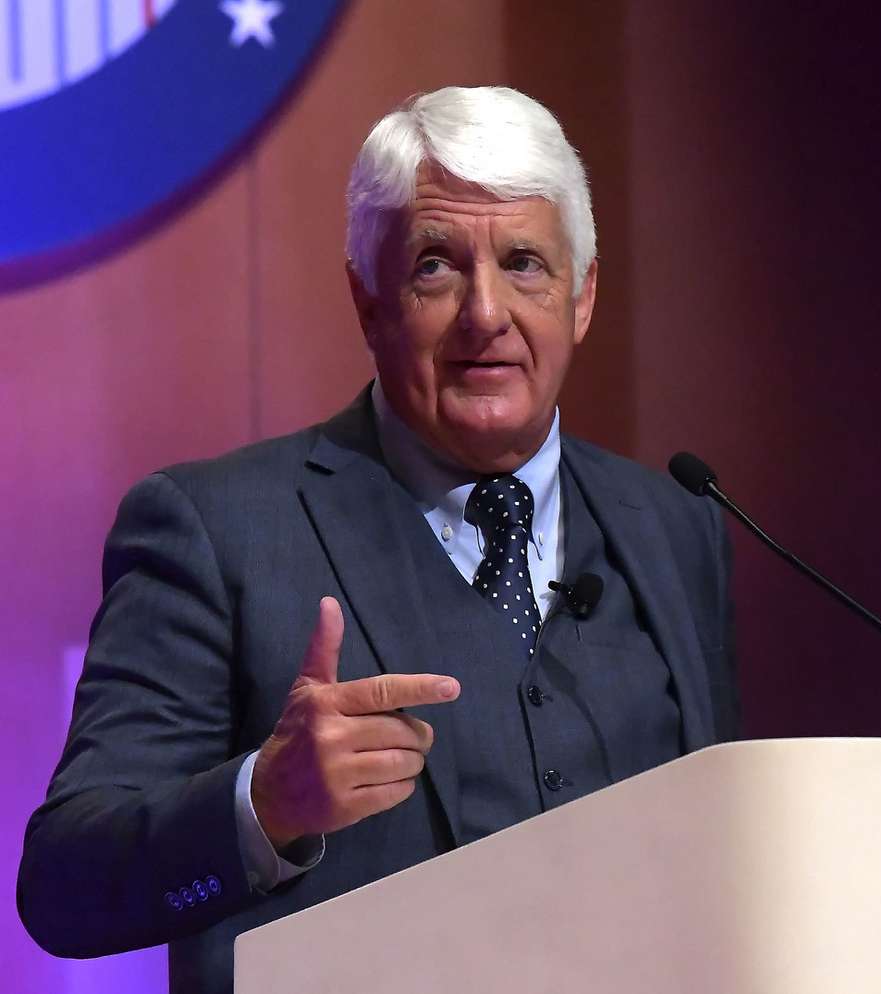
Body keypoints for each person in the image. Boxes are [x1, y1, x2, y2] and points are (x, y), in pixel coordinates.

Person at [17, 86, 737, 994]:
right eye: (436, 266)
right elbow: (63, 886)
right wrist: (260, 806)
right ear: (368, 301)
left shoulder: (674, 526)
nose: (486, 315)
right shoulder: (216, 530)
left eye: (524, 264)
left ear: (583, 296)